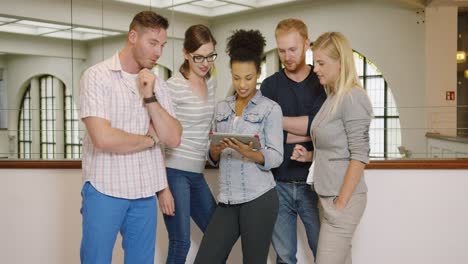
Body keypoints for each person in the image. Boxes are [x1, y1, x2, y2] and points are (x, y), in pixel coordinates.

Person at [79, 11, 182, 264]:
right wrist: (149, 140)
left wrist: (150, 97)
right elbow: (103, 138)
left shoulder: (158, 85)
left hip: (144, 192)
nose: (158, 52)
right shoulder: (97, 76)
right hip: (105, 188)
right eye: (153, 43)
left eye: (162, 45)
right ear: (133, 36)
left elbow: (173, 137)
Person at [194, 29, 284, 264]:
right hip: (227, 200)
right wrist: (214, 151)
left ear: (258, 73)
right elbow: (211, 154)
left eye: (248, 77)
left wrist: (250, 153)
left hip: (259, 198)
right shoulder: (221, 108)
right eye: (236, 77)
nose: (242, 84)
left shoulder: (271, 109)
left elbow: (276, 157)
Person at [291, 32, 373, 264]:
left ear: (340, 62)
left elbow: (359, 155)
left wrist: (340, 204)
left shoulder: (353, 98)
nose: (315, 68)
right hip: (326, 196)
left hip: (343, 199)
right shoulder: (333, 97)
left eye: (321, 63)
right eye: (314, 61)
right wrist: (308, 155)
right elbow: (334, 148)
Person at [260, 18, 326, 263]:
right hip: (278, 184)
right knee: (284, 256)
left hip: (315, 184)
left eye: (292, 49)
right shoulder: (269, 86)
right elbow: (265, 132)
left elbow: (321, 128)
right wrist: (309, 127)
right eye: (281, 50)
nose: (286, 56)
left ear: (307, 44)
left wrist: (279, 121)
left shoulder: (321, 82)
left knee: (324, 252)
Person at [162, 24, 217, 264]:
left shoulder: (211, 83)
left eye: (210, 56)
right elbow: (159, 136)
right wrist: (162, 187)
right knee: (181, 241)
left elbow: (207, 128)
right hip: (175, 172)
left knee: (218, 236)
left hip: (197, 172)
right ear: (185, 53)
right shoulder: (172, 87)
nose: (205, 63)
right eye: (199, 57)